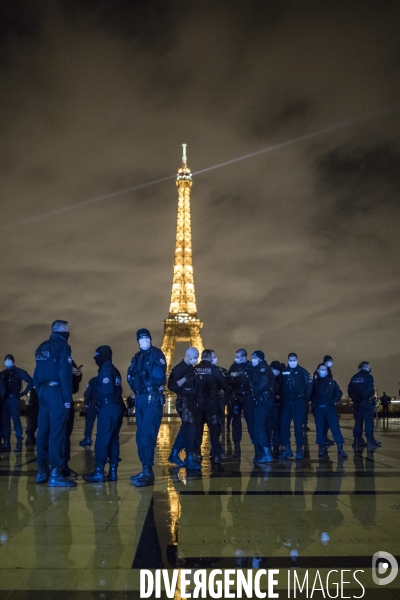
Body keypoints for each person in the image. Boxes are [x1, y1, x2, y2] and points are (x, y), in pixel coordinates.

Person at [34, 320, 76, 487]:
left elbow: (36, 373)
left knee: (43, 431)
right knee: (57, 432)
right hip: (57, 392)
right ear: (62, 331)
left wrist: (39, 392)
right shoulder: (63, 347)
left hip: (43, 392)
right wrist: (66, 399)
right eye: (67, 330)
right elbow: (65, 374)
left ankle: (41, 470)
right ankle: (56, 472)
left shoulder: (41, 347)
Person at [127, 328, 167, 487]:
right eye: (140, 338)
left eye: (145, 338)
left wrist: (144, 376)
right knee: (141, 436)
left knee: (147, 434)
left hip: (151, 398)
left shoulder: (156, 354)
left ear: (150, 338)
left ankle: (148, 472)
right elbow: (131, 377)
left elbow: (159, 376)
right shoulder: (137, 357)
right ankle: (145, 468)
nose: (143, 340)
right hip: (141, 398)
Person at [83, 346, 124, 482]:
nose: (95, 359)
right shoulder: (115, 370)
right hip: (117, 406)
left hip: (108, 407)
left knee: (101, 439)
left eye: (97, 356)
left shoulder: (105, 370)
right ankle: (113, 471)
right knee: (113, 439)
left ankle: (99, 471)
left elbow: (107, 388)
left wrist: (95, 390)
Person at [167, 347, 201, 470]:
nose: (196, 359)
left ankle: (174, 453)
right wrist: (185, 378)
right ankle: (189, 456)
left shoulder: (191, 369)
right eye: (195, 357)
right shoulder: (178, 369)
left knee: (187, 428)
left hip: (191, 401)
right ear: (188, 355)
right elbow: (171, 386)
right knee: (190, 428)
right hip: (184, 401)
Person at [193, 349, 227, 464]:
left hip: (197, 404)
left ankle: (196, 452)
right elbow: (225, 385)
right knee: (214, 429)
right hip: (212, 403)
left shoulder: (194, 370)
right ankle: (216, 453)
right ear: (210, 357)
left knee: (198, 429)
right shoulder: (215, 370)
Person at [279, 353, 313, 459]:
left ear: (297, 360)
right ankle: (287, 448)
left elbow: (309, 385)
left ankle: (299, 448)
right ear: (288, 360)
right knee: (284, 425)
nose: (292, 361)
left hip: (298, 402)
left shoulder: (303, 371)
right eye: (290, 359)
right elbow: (279, 385)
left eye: (294, 359)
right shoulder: (284, 371)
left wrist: (304, 398)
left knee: (298, 426)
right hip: (286, 402)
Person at [311, 363, 347, 458]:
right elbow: (309, 395)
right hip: (319, 409)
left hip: (330, 408)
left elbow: (339, 392)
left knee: (335, 428)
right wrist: (316, 401)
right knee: (320, 429)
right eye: (321, 369)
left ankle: (340, 449)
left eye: (325, 369)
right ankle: (322, 448)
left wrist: (334, 401)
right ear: (318, 370)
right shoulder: (314, 383)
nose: (323, 371)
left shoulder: (332, 382)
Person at [1, 354, 33, 453]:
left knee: (16, 421)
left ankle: (18, 443)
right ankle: (7, 443)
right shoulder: (3, 373)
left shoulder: (19, 371)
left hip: (13, 399)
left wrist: (22, 393)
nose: (7, 361)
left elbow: (31, 381)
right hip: (4, 400)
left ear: (13, 361)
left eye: (9, 359)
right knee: (5, 422)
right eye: (6, 360)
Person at [227, 349, 254, 458]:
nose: (236, 358)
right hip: (237, 396)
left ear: (243, 357)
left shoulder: (250, 367)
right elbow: (228, 380)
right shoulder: (234, 366)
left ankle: (256, 444)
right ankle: (236, 445)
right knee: (236, 422)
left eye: (238, 356)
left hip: (247, 396)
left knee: (250, 421)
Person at [348, 361, 380, 450]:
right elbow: (369, 390)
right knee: (368, 422)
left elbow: (350, 390)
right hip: (366, 403)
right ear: (366, 367)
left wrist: (356, 398)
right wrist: (363, 398)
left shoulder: (354, 377)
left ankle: (357, 441)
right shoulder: (369, 377)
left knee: (358, 422)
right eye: (369, 366)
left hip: (357, 403)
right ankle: (370, 441)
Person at [251, 351, 275, 464]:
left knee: (260, 426)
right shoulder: (263, 367)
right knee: (264, 426)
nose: (252, 359)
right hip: (265, 400)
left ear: (259, 358)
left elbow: (263, 382)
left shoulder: (262, 368)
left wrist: (253, 392)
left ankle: (266, 453)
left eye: (254, 357)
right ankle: (266, 451)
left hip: (262, 401)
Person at [62, 361, 82, 478]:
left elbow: (74, 386)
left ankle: (64, 464)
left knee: (66, 434)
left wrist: (77, 375)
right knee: (55, 434)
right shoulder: (53, 356)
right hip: (56, 399)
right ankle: (52, 465)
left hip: (67, 400)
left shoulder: (69, 359)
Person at [269, 361, 284, 456]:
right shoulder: (270, 379)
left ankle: (275, 448)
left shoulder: (279, 380)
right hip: (270, 406)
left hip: (276, 406)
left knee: (276, 427)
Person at [79, 377, 98, 446]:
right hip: (104, 404)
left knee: (89, 422)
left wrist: (86, 404)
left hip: (93, 403)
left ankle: (87, 438)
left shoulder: (93, 380)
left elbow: (88, 393)